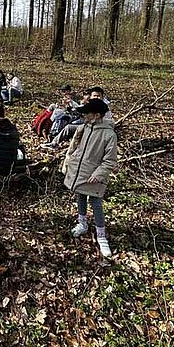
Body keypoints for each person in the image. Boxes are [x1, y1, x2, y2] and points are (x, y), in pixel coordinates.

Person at [63, 98, 118, 258]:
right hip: (80, 172)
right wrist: (71, 159)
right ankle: (82, 223)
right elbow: (76, 146)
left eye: (87, 113)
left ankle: (101, 236)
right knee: (80, 195)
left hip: (94, 176)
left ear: (97, 115)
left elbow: (110, 160)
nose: (84, 115)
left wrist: (98, 173)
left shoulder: (109, 134)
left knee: (96, 203)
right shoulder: (84, 128)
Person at [42, 86, 114, 149]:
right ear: (91, 96)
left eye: (98, 96)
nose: (96, 98)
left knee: (71, 127)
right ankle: (53, 140)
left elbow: (108, 121)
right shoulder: (90, 104)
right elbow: (79, 110)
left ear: (102, 97)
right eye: (94, 96)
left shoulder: (104, 107)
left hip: (95, 129)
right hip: (87, 126)